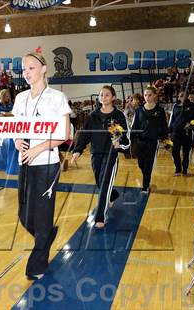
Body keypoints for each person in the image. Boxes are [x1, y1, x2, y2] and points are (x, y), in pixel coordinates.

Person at [12, 50, 71, 280]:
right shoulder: (20, 99)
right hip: (25, 163)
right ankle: (46, 235)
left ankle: (36, 266)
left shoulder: (57, 98)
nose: (26, 72)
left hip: (47, 164)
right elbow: (16, 129)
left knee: (43, 215)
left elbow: (64, 134)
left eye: (31, 67)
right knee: (25, 215)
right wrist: (18, 141)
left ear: (44, 69)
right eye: (24, 69)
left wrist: (38, 148)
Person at [72, 85, 130, 228]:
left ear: (113, 98)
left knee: (104, 185)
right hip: (95, 154)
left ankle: (100, 217)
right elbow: (85, 134)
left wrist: (120, 144)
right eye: (101, 95)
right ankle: (113, 195)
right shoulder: (93, 116)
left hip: (111, 155)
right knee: (100, 182)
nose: (103, 97)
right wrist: (77, 150)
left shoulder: (118, 116)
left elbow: (125, 139)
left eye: (107, 95)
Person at [131, 85, 168, 193]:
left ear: (155, 95)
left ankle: (145, 186)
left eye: (150, 95)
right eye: (145, 95)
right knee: (141, 164)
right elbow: (135, 125)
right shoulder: (139, 110)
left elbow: (163, 126)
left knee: (148, 164)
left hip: (152, 142)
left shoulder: (160, 110)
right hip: (140, 142)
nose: (147, 97)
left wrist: (164, 139)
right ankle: (146, 177)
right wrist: (131, 138)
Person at [168, 90, 194, 176]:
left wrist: (190, 123)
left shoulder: (193, 106)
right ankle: (178, 169)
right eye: (179, 96)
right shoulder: (175, 106)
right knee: (175, 152)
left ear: (187, 96)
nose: (180, 97)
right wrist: (169, 131)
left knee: (186, 153)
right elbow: (172, 120)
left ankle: (185, 170)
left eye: (182, 95)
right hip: (175, 133)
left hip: (187, 132)